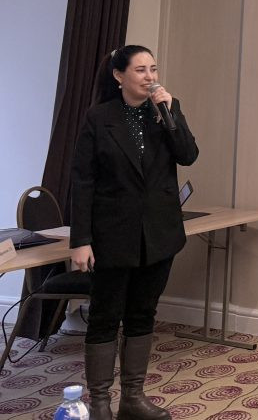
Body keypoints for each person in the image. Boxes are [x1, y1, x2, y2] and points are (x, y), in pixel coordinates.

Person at [69, 46, 198, 420]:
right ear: (118, 75)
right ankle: (100, 403)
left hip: (158, 234)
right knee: (105, 316)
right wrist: (81, 239)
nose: (150, 77)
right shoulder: (99, 117)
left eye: (153, 69)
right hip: (112, 234)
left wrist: (170, 113)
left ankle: (132, 399)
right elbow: (83, 180)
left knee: (143, 313)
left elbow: (188, 155)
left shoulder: (166, 110)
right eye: (140, 70)